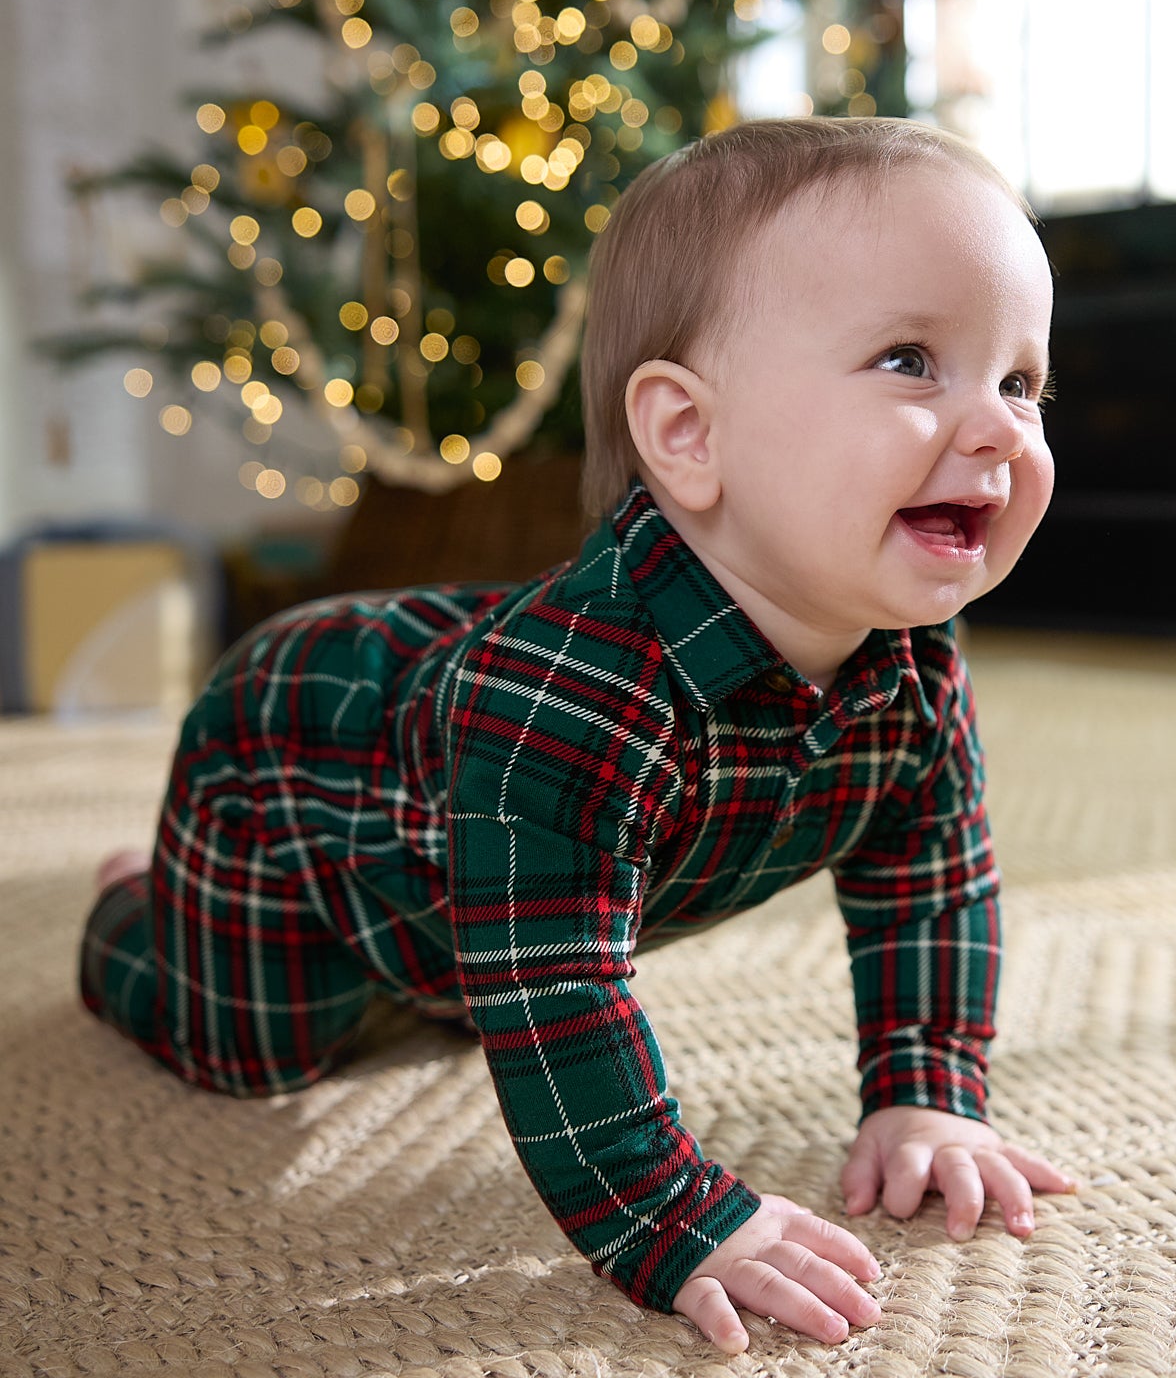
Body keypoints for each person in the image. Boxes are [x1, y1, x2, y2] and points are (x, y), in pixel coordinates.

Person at [79, 115, 1073, 1355]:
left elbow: (929, 886)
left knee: (475, 967)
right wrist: (669, 1214)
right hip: (292, 767)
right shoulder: (569, 697)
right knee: (252, 1042)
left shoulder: (914, 673)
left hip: (480, 843)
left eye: (1019, 379)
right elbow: (556, 988)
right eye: (911, 361)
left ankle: (422, 929)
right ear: (688, 435)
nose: (995, 429)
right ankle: (140, 912)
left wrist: (927, 1093)